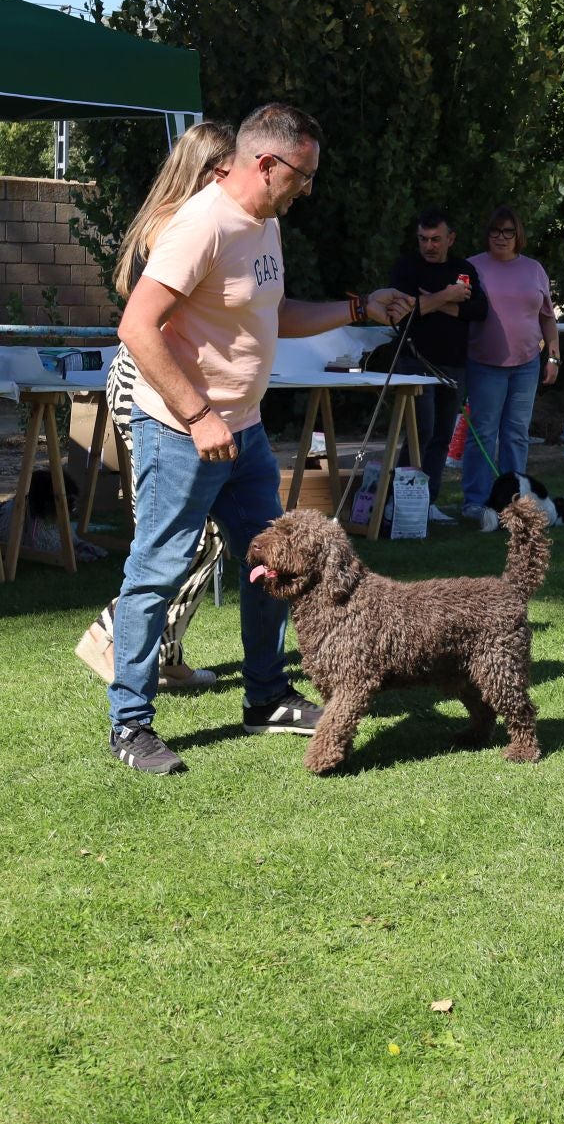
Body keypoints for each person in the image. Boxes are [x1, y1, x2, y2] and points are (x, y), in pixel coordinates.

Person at [104, 103, 413, 775]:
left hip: (242, 435)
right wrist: (197, 414)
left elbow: (276, 313)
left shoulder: (262, 225)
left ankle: (267, 697)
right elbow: (137, 327)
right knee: (156, 574)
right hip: (182, 433)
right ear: (266, 163)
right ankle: (129, 724)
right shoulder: (202, 226)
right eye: (302, 175)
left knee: (271, 569)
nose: (307, 189)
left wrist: (359, 307)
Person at [75, 121, 236, 692]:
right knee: (176, 537)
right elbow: (155, 330)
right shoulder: (181, 229)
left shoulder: (185, 222)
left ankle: (163, 653)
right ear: (212, 171)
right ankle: (115, 636)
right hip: (150, 386)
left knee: (202, 535)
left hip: (158, 383)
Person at [388, 208, 488, 524]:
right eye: (423, 239)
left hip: (455, 365)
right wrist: (449, 296)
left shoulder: (464, 268)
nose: (429, 245)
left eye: (435, 239)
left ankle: (428, 502)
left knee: (443, 434)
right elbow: (400, 312)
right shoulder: (406, 268)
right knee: (421, 431)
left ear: (450, 238)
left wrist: (432, 303)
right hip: (414, 361)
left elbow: (479, 310)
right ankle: (397, 501)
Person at [462, 206, 557, 521]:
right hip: (484, 363)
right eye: (495, 231)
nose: (501, 238)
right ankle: (475, 501)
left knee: (516, 433)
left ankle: (514, 500)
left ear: (519, 235)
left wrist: (553, 356)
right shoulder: (472, 267)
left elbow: (547, 318)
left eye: (508, 232)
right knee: (484, 432)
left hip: (527, 364)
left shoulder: (534, 269)